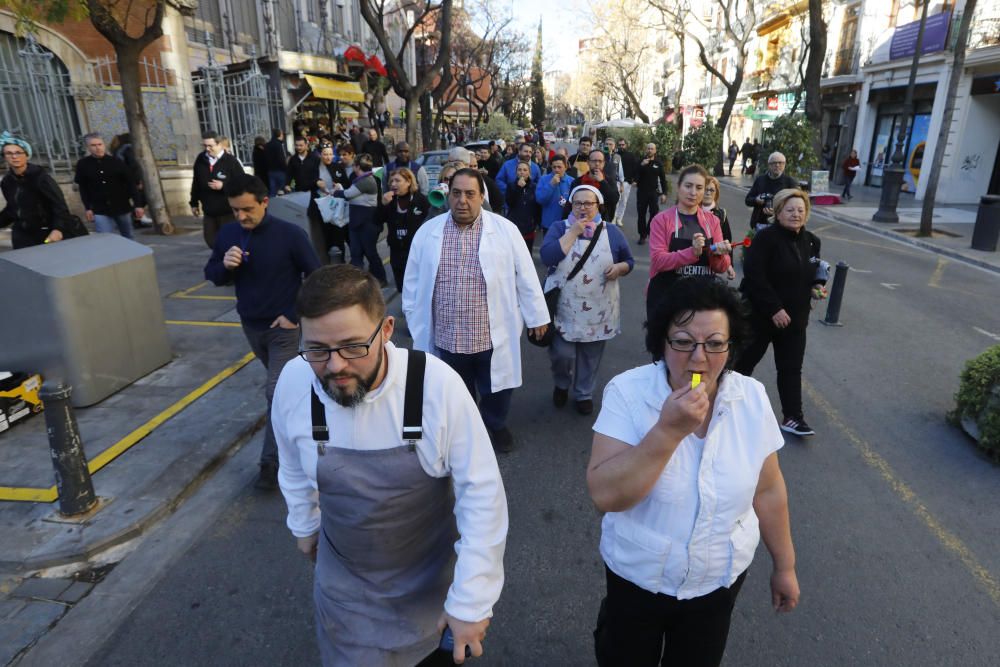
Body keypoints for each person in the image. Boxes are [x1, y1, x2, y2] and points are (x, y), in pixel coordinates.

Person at [273, 264, 508, 666]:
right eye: (317, 349)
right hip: (343, 590)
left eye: (352, 346)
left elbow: (482, 496)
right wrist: (305, 523)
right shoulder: (295, 381)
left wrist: (471, 601)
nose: (335, 366)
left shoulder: (435, 386)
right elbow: (291, 462)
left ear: (385, 330)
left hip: (429, 590)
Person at [587, 275, 800, 667]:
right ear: (661, 342)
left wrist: (784, 566)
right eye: (683, 342)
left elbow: (768, 490)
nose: (699, 359)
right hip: (637, 578)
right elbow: (605, 495)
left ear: (731, 345)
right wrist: (667, 432)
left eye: (715, 344)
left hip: (717, 583)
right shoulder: (627, 392)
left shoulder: (750, 397)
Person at [402, 169, 549, 453]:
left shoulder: (505, 230)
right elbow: (412, 281)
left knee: (497, 387)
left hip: (490, 333)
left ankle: (495, 423)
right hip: (447, 333)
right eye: (456, 193)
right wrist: (413, 316)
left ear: (482, 196)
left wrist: (537, 316)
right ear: (448, 195)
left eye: (470, 194)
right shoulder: (428, 232)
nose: (462, 201)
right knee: (457, 389)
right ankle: (467, 429)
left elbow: (526, 275)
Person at [203, 173, 321, 489]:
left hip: (283, 328)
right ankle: (309, 416)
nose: (241, 216)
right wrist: (224, 266)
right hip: (250, 325)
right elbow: (212, 274)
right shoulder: (228, 233)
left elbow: (317, 277)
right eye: (235, 210)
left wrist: (294, 315)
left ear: (264, 203)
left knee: (275, 392)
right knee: (286, 391)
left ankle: (271, 464)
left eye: (247, 209)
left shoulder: (290, 234)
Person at [735, 188, 827, 437]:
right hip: (761, 317)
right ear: (778, 212)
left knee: (791, 368)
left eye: (801, 210)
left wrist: (817, 287)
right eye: (790, 210)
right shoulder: (765, 239)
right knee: (743, 363)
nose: (796, 214)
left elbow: (814, 271)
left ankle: (793, 417)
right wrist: (774, 308)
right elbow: (755, 277)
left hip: (796, 320)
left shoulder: (811, 241)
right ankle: (726, 404)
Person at [540, 185, 634, 415]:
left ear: (598, 205)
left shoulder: (612, 232)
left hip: (599, 307)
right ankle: (562, 383)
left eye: (588, 203)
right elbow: (547, 256)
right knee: (563, 353)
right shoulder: (558, 227)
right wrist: (573, 232)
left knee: (590, 356)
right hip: (564, 306)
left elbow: (629, 260)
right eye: (578, 203)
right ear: (571, 205)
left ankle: (584, 392)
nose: (583, 207)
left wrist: (620, 267)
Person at [646, 165, 732, 319]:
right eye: (688, 186)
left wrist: (719, 254)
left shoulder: (713, 221)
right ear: (679, 187)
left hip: (702, 302)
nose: (693, 192)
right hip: (667, 299)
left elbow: (722, 267)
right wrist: (692, 253)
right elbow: (658, 261)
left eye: (699, 187)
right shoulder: (662, 220)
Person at [0, 133, 72, 248]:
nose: (14, 156)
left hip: (45, 233)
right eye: (9, 153)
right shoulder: (7, 181)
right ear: (4, 157)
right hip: (21, 235)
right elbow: (12, 208)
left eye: (18, 152)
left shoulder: (40, 178)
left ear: (26, 154)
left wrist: (58, 229)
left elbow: (59, 205)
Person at [74, 133, 144, 239]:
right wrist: (88, 208)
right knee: (104, 238)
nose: (97, 148)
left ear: (104, 145)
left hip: (121, 206)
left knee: (128, 237)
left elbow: (131, 184)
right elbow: (83, 188)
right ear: (87, 147)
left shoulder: (116, 162)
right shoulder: (83, 164)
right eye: (93, 145)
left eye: (100, 144)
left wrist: (138, 205)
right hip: (99, 209)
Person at [332, 153, 388, 286]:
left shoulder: (365, 181)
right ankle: (356, 281)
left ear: (357, 167)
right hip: (357, 221)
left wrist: (335, 191)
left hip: (367, 222)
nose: (353, 169)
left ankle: (381, 278)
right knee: (356, 253)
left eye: (354, 166)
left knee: (370, 252)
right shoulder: (362, 179)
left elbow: (348, 194)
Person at [190, 131, 245, 249]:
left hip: (228, 211)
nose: (207, 149)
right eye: (204, 146)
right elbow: (196, 182)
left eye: (210, 146)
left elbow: (242, 183)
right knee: (210, 240)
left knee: (230, 241)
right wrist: (193, 203)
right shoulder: (200, 159)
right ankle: (222, 259)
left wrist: (224, 186)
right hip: (209, 211)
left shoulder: (231, 161)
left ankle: (229, 263)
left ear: (219, 144)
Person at [378, 166, 430, 291]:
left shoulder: (420, 200)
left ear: (408, 182)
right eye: (391, 181)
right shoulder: (390, 201)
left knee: (418, 285)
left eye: (397, 180)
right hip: (396, 250)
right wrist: (383, 205)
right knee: (401, 285)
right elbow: (377, 220)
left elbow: (430, 223)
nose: (393, 184)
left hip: (415, 250)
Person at [308, 144, 349, 263]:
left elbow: (346, 184)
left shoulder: (338, 167)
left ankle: (341, 262)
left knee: (339, 237)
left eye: (330, 154)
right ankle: (326, 263)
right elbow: (304, 184)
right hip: (321, 209)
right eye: (325, 154)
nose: (328, 157)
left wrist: (339, 186)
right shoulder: (314, 168)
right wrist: (316, 183)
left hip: (336, 208)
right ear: (320, 155)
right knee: (324, 238)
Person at [744, 151, 797, 231]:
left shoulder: (790, 182)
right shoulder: (760, 180)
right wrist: (756, 200)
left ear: (784, 165)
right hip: (760, 224)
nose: (777, 165)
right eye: (774, 163)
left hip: (781, 226)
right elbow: (748, 200)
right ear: (769, 165)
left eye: (780, 163)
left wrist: (776, 213)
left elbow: (795, 206)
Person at [566, 150, 620, 225]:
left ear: (604, 163)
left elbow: (614, 200)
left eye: (600, 161)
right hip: (579, 223)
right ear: (588, 162)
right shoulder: (578, 182)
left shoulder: (609, 181)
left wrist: (602, 182)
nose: (597, 164)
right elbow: (569, 204)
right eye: (594, 161)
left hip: (602, 224)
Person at [702, 176, 737, 281]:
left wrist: (729, 265)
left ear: (716, 193)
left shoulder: (721, 213)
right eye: (705, 189)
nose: (708, 193)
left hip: (713, 261)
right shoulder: (690, 210)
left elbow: (727, 241)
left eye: (711, 190)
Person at [635, 142, 668, 245]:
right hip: (641, 192)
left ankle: (648, 230)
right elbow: (635, 176)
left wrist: (664, 193)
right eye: (648, 148)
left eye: (652, 149)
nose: (649, 150)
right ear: (646, 150)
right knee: (641, 214)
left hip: (653, 192)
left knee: (654, 212)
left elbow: (663, 179)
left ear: (655, 151)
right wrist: (641, 166)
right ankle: (642, 235)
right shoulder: (640, 161)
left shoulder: (658, 163)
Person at [504, 161, 541, 251]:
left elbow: (538, 207)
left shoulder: (534, 186)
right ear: (516, 172)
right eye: (519, 170)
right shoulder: (511, 185)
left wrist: (537, 223)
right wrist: (518, 188)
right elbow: (510, 203)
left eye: (525, 170)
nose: (522, 172)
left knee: (527, 253)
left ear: (529, 172)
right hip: (514, 224)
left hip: (529, 226)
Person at [535, 154, 573, 235]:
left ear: (565, 167)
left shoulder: (572, 181)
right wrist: (551, 185)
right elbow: (540, 199)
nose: (556, 170)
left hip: (567, 224)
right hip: (549, 224)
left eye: (559, 167)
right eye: (554, 167)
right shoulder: (544, 179)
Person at [264, 128, 288, 196]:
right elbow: (281, 158)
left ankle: (272, 204)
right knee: (283, 190)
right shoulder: (278, 145)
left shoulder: (267, 145)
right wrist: (286, 168)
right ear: (280, 134)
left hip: (270, 170)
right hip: (280, 170)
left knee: (272, 190)